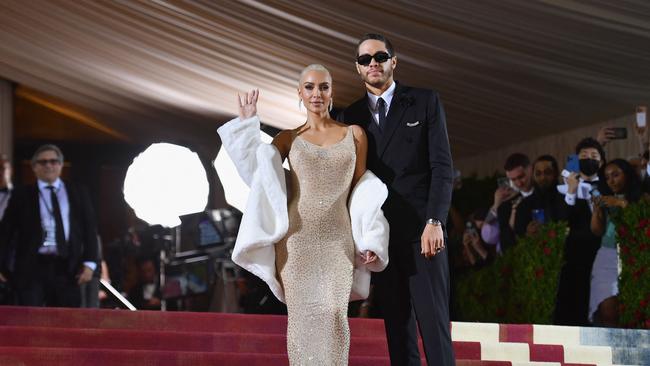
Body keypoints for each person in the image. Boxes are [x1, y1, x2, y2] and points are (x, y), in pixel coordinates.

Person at [217, 65, 389, 365]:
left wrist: (370, 239)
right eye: (309, 87)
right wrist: (247, 126)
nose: (316, 94)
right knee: (303, 325)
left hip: (338, 242)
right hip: (296, 245)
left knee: (335, 318)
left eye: (323, 87)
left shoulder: (355, 135)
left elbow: (363, 193)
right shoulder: (287, 138)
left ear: (331, 91)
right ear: (300, 93)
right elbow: (259, 179)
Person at [338, 33, 455, 366]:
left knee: (434, 324)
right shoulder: (352, 115)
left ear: (393, 61)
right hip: (382, 236)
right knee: (397, 326)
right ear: (358, 69)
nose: (373, 63)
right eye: (365, 59)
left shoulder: (424, 100)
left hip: (423, 231)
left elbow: (442, 167)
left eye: (380, 56)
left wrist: (436, 221)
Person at [0, 144, 99, 307]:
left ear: (60, 165)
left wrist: (90, 263)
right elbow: (6, 232)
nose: (48, 165)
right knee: (30, 319)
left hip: (68, 267)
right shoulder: (21, 194)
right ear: (34, 167)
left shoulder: (78, 192)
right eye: (43, 162)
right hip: (31, 267)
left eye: (53, 161)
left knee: (66, 320)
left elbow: (90, 229)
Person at [555, 137, 605, 325]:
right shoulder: (564, 189)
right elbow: (561, 221)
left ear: (601, 161)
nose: (589, 159)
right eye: (584, 156)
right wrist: (571, 191)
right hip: (574, 254)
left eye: (594, 156)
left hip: (601, 252)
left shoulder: (607, 185)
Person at [589, 159, 642, 327]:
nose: (611, 181)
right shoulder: (605, 198)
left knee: (632, 309)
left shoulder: (642, 197)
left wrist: (620, 203)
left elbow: (642, 223)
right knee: (607, 309)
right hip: (607, 256)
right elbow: (597, 231)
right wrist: (597, 211)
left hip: (633, 256)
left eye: (616, 175)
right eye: (607, 177)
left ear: (626, 174)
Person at [514, 155, 567, 237]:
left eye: (548, 172)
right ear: (533, 176)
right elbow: (518, 235)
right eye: (538, 174)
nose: (543, 177)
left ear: (556, 173)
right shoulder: (524, 205)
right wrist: (527, 233)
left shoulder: (567, 200)